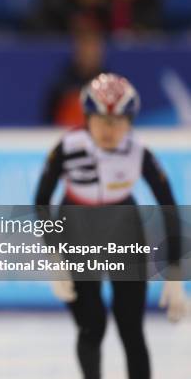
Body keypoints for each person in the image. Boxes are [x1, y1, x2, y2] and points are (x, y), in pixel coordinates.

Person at [35, 73, 187, 379]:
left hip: (124, 231)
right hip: (76, 232)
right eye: (102, 119)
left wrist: (174, 274)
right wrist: (55, 256)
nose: (110, 129)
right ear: (87, 116)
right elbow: (41, 201)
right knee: (92, 326)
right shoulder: (67, 146)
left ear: (130, 122)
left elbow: (169, 208)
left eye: (119, 121)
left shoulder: (138, 151)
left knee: (131, 328)